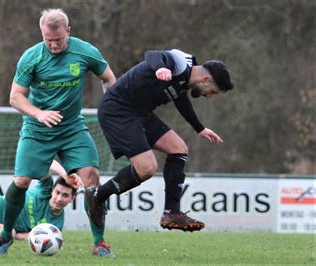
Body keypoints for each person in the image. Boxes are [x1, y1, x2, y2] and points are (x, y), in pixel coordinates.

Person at [0, 8, 116, 257]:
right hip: (37, 129)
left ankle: (99, 243)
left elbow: (109, 79)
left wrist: (112, 108)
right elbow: (15, 97)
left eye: (58, 39)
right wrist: (38, 113)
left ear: (68, 31)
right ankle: (5, 236)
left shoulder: (85, 52)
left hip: (72, 128)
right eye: (47, 39)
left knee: (92, 176)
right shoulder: (31, 58)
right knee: (21, 182)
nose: (53, 44)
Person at [89, 49, 234, 232]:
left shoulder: (184, 80)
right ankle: (97, 197)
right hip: (118, 111)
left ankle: (171, 213)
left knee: (179, 149)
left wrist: (200, 128)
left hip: (140, 113)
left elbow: (180, 99)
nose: (208, 96)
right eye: (211, 92)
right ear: (205, 80)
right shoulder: (180, 63)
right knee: (147, 168)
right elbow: (152, 55)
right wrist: (160, 68)